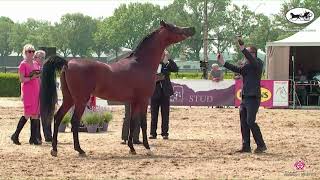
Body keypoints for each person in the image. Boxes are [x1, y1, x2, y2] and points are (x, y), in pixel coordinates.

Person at [217, 38, 267, 153]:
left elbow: (251, 60)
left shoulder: (258, 63)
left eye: (248, 53)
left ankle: (261, 145)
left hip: (254, 97)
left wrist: (243, 49)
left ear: (253, 54)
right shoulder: (247, 65)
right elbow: (237, 69)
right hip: (245, 97)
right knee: (244, 122)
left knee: (250, 121)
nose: (245, 56)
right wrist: (223, 63)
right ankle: (246, 146)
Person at [11, 44, 42, 145]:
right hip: (28, 91)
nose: (32, 53)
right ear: (25, 52)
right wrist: (31, 78)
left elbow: (39, 77)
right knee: (28, 114)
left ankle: (33, 139)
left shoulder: (36, 64)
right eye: (29, 51)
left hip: (36, 91)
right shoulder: (23, 65)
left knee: (35, 115)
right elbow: (22, 79)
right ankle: (15, 135)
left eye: (33, 51)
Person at [150, 50, 178, 140]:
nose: (162, 55)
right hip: (154, 92)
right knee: (154, 114)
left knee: (165, 114)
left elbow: (175, 69)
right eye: (161, 54)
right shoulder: (152, 63)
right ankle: (152, 133)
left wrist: (169, 59)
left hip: (165, 92)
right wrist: (156, 78)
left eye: (164, 54)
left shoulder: (167, 63)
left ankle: (165, 133)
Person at [34, 50, 53, 142]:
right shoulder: (33, 67)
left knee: (47, 114)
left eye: (43, 57)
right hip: (35, 94)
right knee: (36, 115)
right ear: (35, 58)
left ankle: (48, 136)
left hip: (45, 94)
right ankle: (37, 136)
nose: (41, 59)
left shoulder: (47, 68)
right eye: (39, 57)